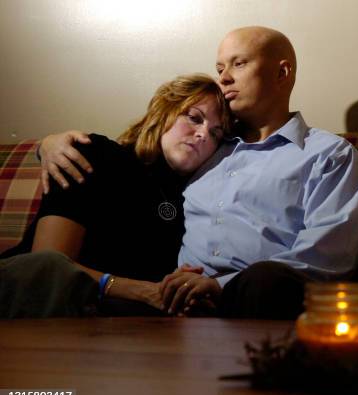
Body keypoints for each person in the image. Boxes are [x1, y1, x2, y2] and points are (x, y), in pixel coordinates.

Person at [36, 26, 358, 320]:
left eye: (239, 64)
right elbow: (48, 265)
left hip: (258, 295)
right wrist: (47, 143)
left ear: (282, 73)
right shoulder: (207, 153)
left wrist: (218, 286)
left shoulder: (327, 154)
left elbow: (328, 259)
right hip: (170, 301)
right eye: (220, 67)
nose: (223, 77)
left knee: (267, 282)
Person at [0, 73, 230, 318]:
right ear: (165, 112)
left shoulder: (192, 203)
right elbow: (48, 266)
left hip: (112, 322)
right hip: (28, 298)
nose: (203, 134)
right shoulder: (96, 155)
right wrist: (142, 291)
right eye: (194, 118)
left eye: (215, 133)